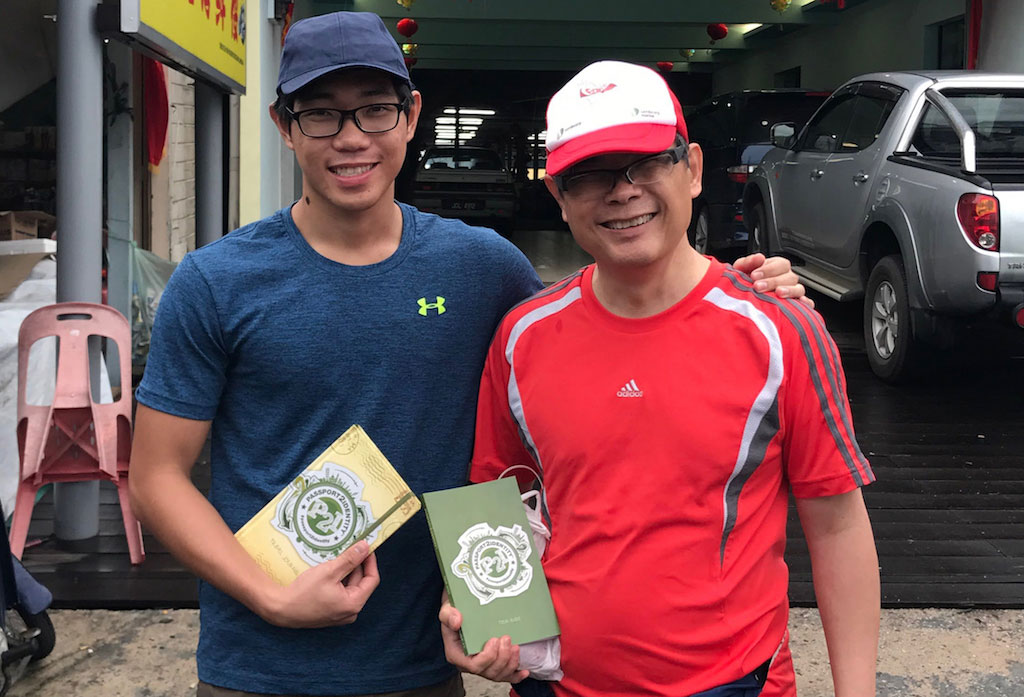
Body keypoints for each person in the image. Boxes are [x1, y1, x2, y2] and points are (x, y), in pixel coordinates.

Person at [128, 12, 809, 697]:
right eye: (321, 115)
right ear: (284, 125)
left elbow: (604, 319)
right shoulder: (216, 282)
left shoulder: (482, 268)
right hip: (259, 666)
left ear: (411, 115)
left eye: (375, 109)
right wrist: (269, 597)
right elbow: (156, 477)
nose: (351, 137)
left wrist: (733, 289)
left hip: (423, 662)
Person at [441, 60, 880, 697]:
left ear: (693, 169)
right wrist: (479, 617)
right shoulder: (522, 337)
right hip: (555, 684)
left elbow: (837, 525)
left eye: (646, 163)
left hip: (731, 684)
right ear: (558, 197)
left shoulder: (781, 331)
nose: (622, 192)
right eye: (589, 175)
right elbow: (495, 505)